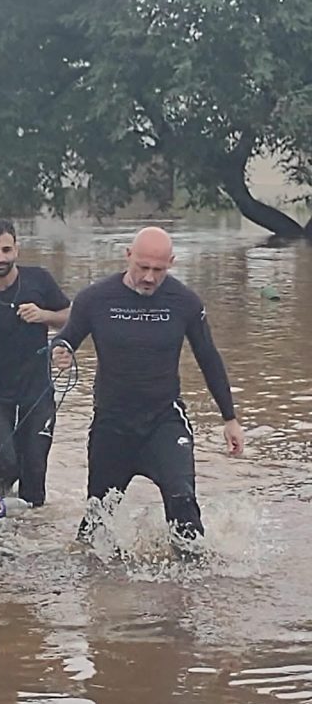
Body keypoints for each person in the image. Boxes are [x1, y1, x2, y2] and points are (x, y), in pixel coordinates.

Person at [52, 226, 244, 552]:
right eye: (142, 267)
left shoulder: (185, 302)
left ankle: (192, 588)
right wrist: (61, 350)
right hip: (112, 423)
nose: (149, 277)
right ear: (128, 256)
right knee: (97, 522)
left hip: (164, 421)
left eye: (159, 269)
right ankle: (97, 591)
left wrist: (230, 418)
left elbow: (208, 358)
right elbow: (66, 338)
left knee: (182, 500)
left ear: (171, 263)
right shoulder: (94, 299)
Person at [0, 219, 71, 507]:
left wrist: (44, 315)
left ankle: (31, 538)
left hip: (38, 391)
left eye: (6, 249)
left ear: (17, 249)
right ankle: (1, 529)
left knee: (35, 472)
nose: (0, 257)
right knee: (6, 466)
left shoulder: (39, 280)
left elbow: (72, 316)